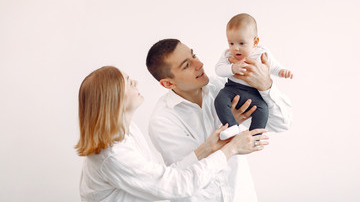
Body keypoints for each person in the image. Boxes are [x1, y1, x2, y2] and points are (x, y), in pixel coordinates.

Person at [75, 66, 269, 202]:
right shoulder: (113, 154)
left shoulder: (126, 131)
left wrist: (207, 148)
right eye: (127, 81)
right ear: (113, 98)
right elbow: (175, 186)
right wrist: (230, 149)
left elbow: (166, 177)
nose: (134, 81)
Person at [146, 39, 292, 202]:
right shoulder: (162, 120)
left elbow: (282, 123)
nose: (199, 63)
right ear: (168, 83)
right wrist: (229, 124)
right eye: (187, 65)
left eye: (194, 55)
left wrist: (265, 85)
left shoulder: (225, 87)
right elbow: (185, 175)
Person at [215, 13, 293, 140]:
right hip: (232, 89)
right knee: (219, 100)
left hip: (254, 93)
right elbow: (218, 69)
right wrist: (232, 68)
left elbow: (273, 66)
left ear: (255, 41)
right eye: (231, 43)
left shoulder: (261, 52)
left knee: (263, 110)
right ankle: (231, 127)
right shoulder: (228, 55)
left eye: (241, 43)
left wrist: (281, 71)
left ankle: (255, 137)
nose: (236, 48)